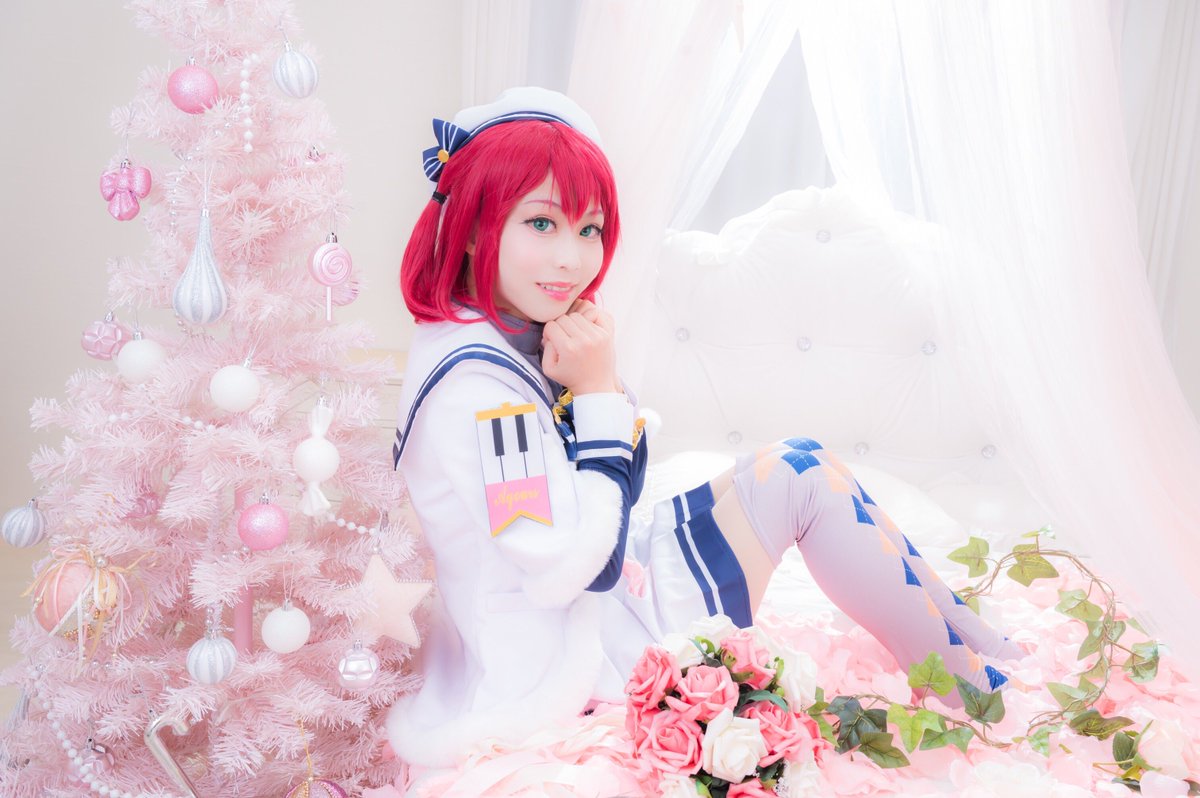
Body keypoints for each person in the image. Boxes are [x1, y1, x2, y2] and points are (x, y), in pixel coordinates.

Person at [386, 87, 1023, 772]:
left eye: (589, 229)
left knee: (799, 461)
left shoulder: (496, 338)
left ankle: (980, 650)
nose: (572, 258)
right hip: (570, 657)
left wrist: (598, 386)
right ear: (475, 224)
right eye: (542, 223)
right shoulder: (479, 393)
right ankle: (979, 694)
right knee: (802, 481)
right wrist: (596, 392)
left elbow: (611, 495)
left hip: (595, 606)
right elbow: (567, 570)